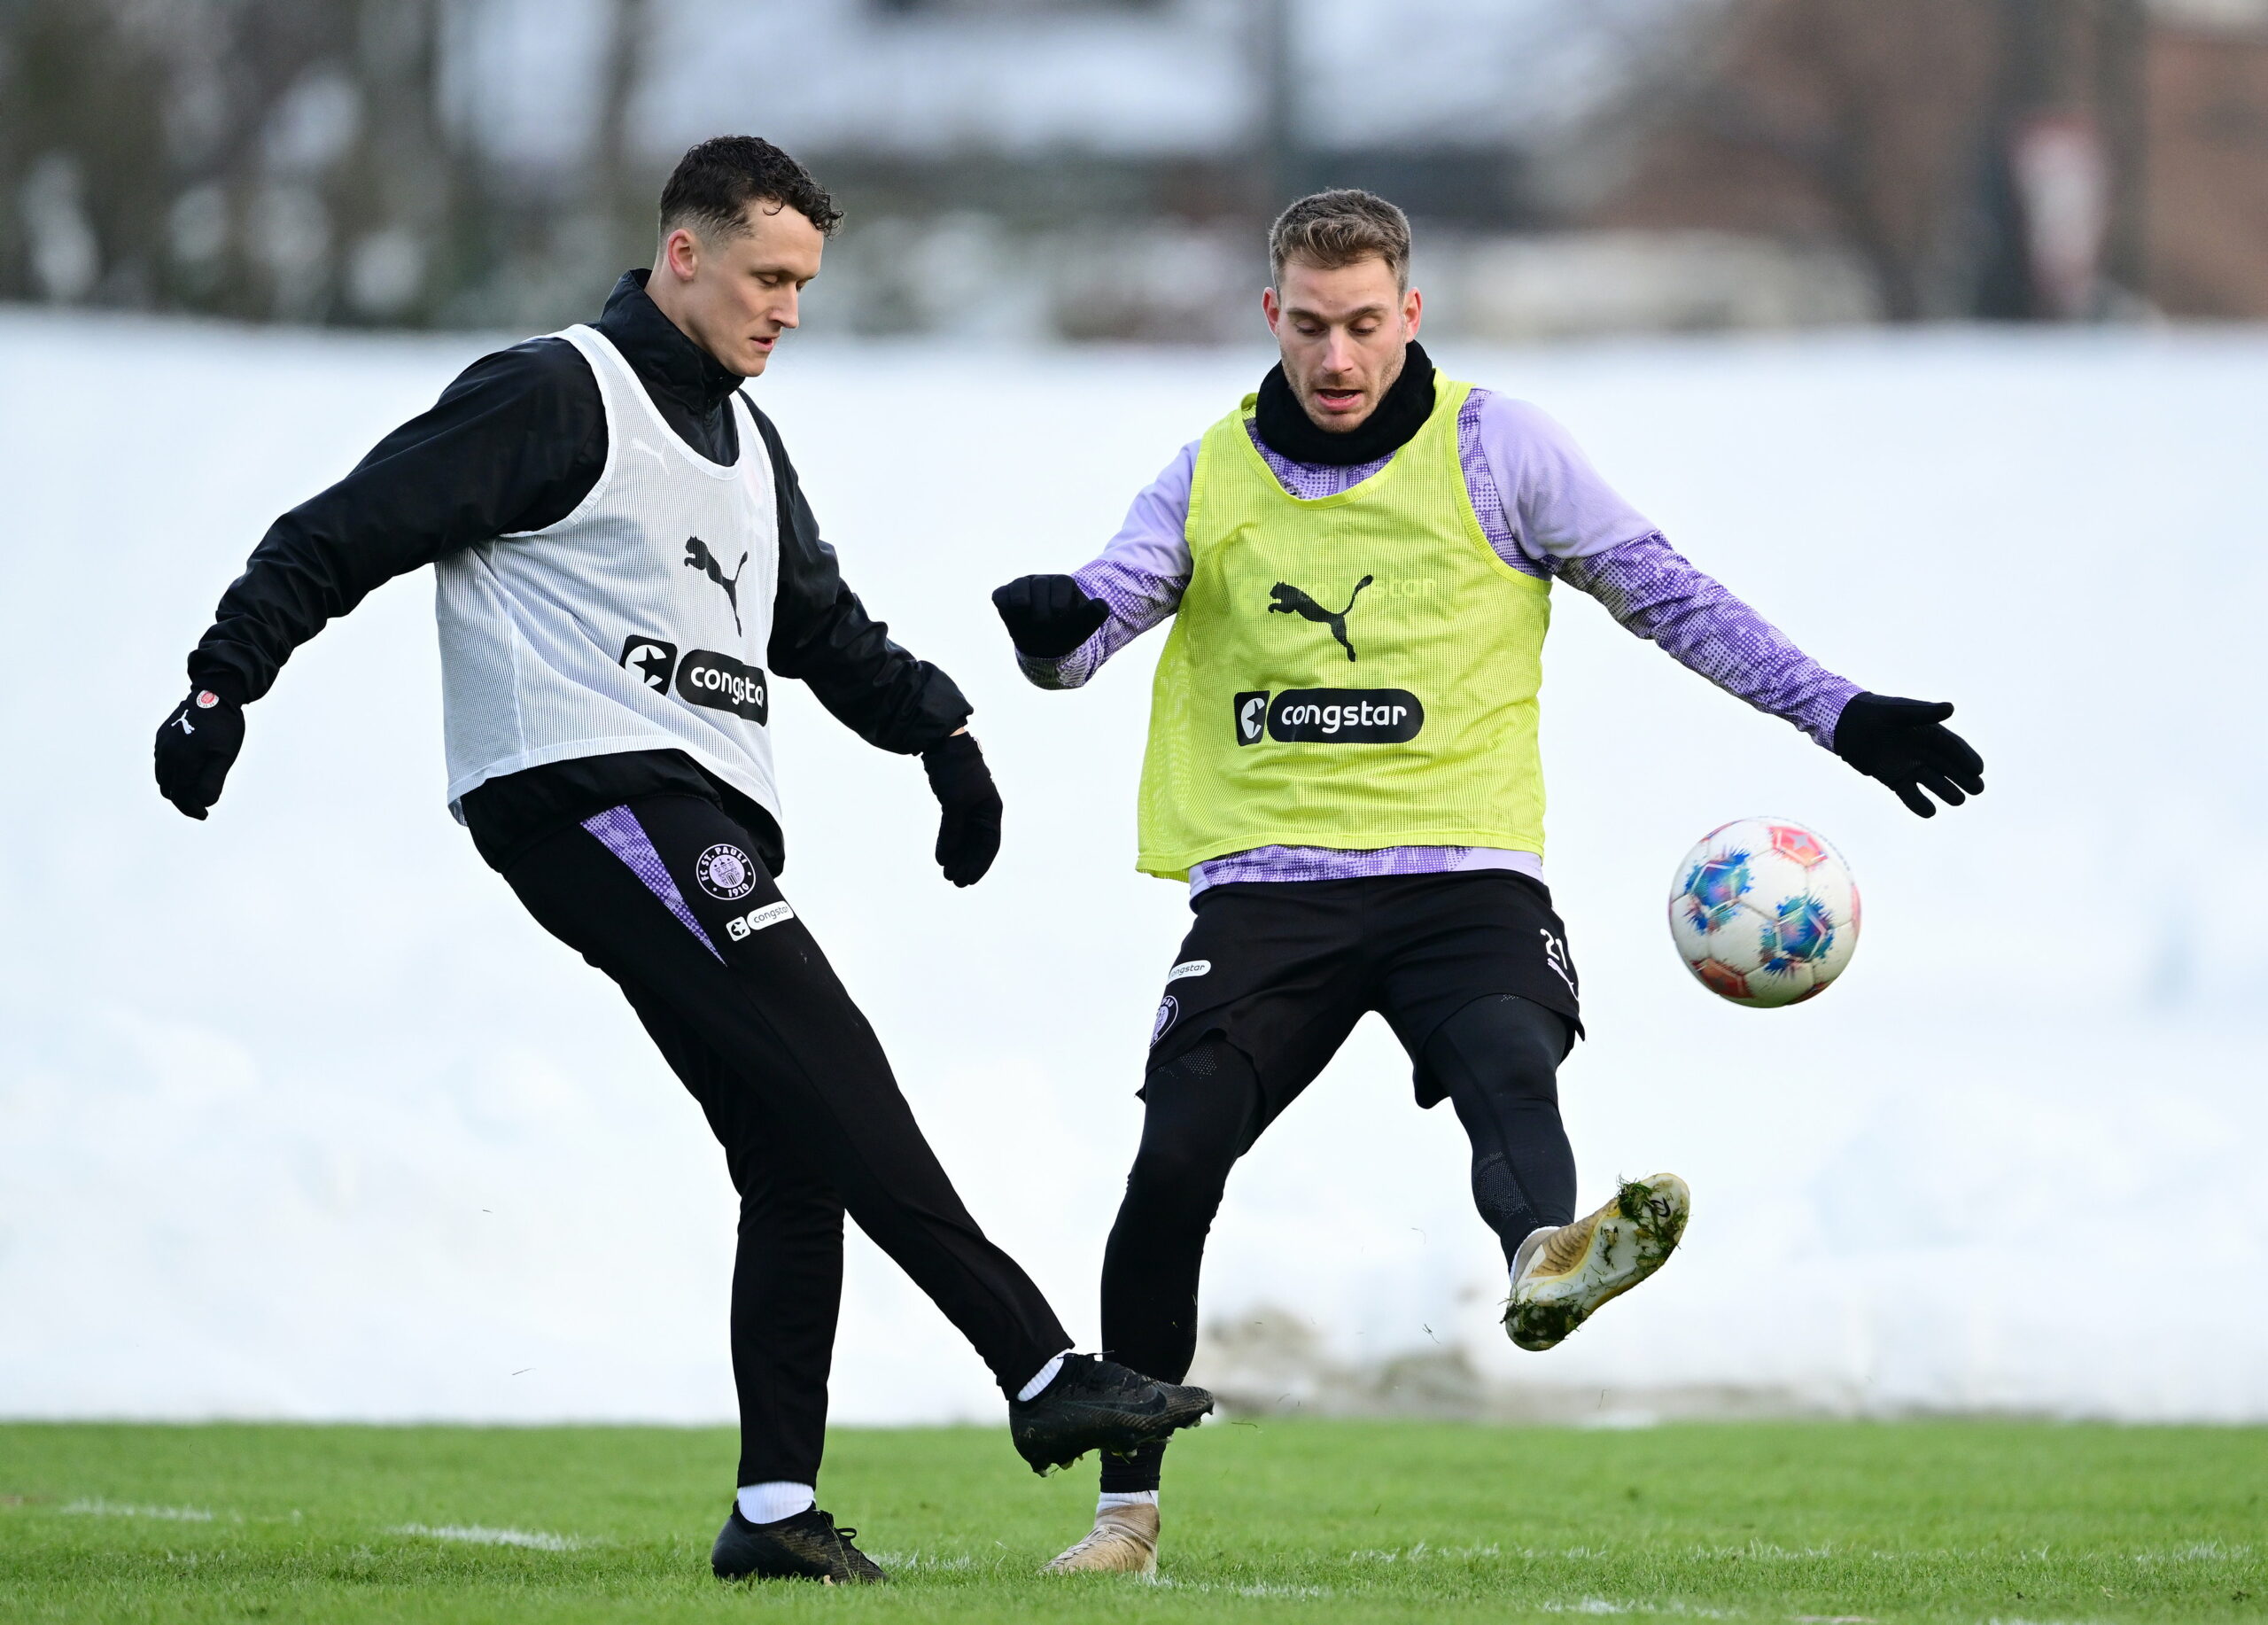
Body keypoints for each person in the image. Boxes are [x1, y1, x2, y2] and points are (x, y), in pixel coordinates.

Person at [152, 135, 1212, 1586]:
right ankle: (1036, 1367)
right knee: (829, 1050)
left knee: (795, 1141)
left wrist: (945, 739)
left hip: (690, 814)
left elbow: (824, 629)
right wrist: (224, 683)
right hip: (589, 793)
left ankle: (774, 1509)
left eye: (806, 284)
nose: (787, 306)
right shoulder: (553, 390)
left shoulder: (748, 446)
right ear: (685, 254)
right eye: (769, 275)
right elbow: (341, 531)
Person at [992, 189, 1984, 1576]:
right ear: (1269, 315)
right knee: (1174, 1162)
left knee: (1511, 1064)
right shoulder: (1208, 471)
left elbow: (1667, 594)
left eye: (1363, 326)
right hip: (1270, 889)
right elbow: (1092, 624)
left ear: (1410, 314)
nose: (1337, 360)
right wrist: (1052, 633)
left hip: (1466, 875)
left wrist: (1841, 713)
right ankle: (1126, 1519)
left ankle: (1543, 1259)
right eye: (1310, 328)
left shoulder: (1497, 446)